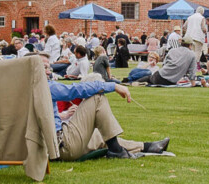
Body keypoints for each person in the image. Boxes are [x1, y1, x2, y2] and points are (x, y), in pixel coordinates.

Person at [38, 54, 168, 160]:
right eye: (44, 68)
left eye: (49, 67)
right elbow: (75, 89)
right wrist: (113, 86)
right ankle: (116, 150)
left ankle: (147, 146)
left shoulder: (24, 91)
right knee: (97, 98)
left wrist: (63, 115)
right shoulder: (44, 87)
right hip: (61, 146)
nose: (49, 72)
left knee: (100, 135)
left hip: (52, 145)